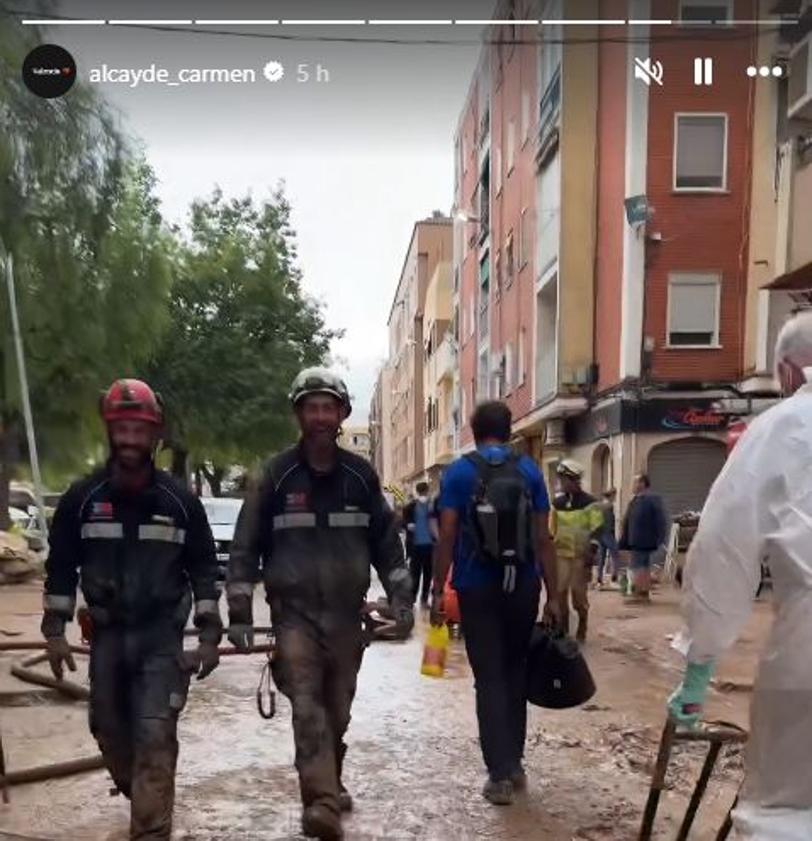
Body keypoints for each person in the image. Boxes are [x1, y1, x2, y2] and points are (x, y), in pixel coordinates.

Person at [226, 367, 413, 841]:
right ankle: (321, 803)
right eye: (312, 407)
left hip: (348, 618)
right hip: (295, 618)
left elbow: (387, 546)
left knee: (338, 710)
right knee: (307, 706)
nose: (321, 416)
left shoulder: (361, 476)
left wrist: (402, 599)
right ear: (299, 415)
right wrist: (241, 615)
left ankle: (330, 777)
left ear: (342, 414)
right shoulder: (275, 476)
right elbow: (245, 547)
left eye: (329, 407)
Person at [41, 379, 222, 841]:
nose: (129, 440)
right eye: (121, 429)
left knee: (154, 735)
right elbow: (60, 568)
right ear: (109, 430)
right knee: (109, 731)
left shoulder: (181, 503)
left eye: (139, 431)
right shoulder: (83, 500)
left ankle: (151, 827)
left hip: (161, 638)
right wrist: (54, 630)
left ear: (155, 435)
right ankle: (140, 792)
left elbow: (204, 570)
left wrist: (207, 636)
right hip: (107, 637)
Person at [667, 312, 812, 840]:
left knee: (788, 815)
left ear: (788, 372)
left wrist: (699, 670)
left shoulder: (783, 427)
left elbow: (723, 553)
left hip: (807, 651)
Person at [431, 401, 559, 806]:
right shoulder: (529, 470)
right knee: (515, 672)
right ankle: (516, 764)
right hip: (522, 585)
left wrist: (437, 590)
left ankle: (498, 774)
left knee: (488, 678)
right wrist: (555, 596)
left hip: (477, 587)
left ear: (472, 428)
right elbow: (543, 538)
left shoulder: (460, 472)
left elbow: (447, 535)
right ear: (509, 430)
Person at [550, 460, 603, 642]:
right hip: (560, 556)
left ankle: (582, 622)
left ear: (574, 480)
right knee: (559, 593)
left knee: (578, 596)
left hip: (581, 557)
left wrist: (592, 551)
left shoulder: (590, 503)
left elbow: (597, 529)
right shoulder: (557, 504)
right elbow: (551, 530)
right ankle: (563, 628)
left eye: (564, 480)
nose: (561, 484)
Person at [619, 474, 668, 599]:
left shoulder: (652, 499)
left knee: (637, 566)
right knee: (642, 566)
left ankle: (638, 593)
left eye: (635, 482)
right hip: (634, 540)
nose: (632, 485)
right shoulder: (635, 501)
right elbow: (627, 522)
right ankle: (643, 592)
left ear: (642, 484)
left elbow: (660, 520)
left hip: (644, 540)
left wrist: (660, 538)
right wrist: (624, 541)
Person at [402, 481, 437, 607]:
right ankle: (419, 599)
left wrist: (407, 525)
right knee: (422, 573)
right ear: (427, 490)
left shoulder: (431, 506)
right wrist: (408, 525)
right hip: (420, 546)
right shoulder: (411, 507)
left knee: (419, 573)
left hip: (426, 545)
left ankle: (415, 599)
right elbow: (404, 522)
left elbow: (403, 522)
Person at [596, 488, 620, 587]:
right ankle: (614, 575)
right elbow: (610, 522)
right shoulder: (609, 506)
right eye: (614, 496)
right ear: (611, 496)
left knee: (601, 556)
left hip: (600, 534)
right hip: (608, 533)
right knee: (615, 553)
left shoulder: (600, 505)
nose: (615, 498)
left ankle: (599, 577)